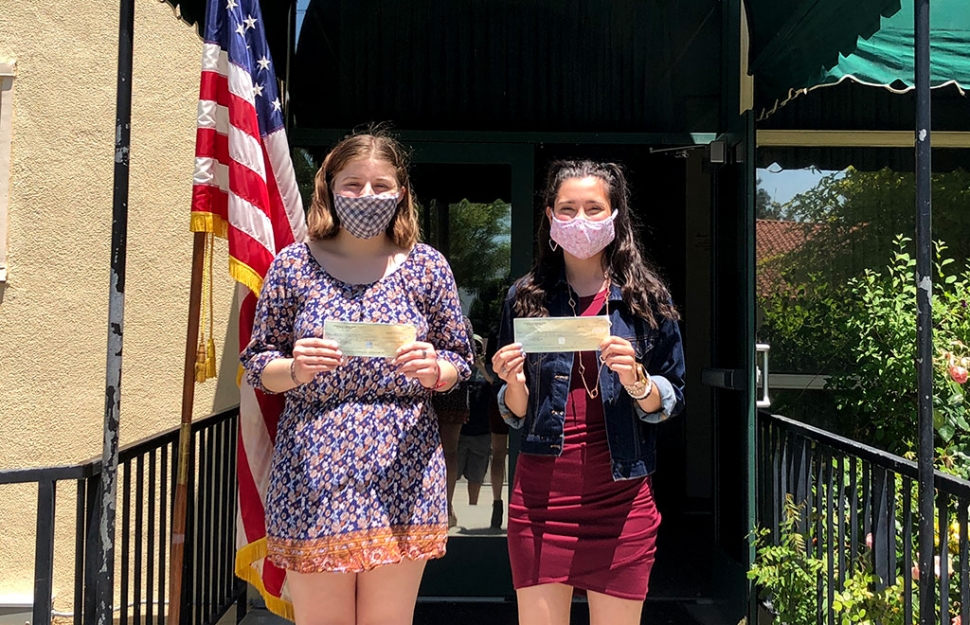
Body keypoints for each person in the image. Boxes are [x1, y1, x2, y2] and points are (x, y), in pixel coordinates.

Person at [240, 131, 474, 625]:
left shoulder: (427, 267)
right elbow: (260, 365)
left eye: (380, 184)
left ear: (401, 193)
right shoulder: (294, 266)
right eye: (353, 184)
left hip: (402, 467)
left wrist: (437, 370)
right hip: (314, 468)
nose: (367, 196)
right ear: (328, 188)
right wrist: (296, 369)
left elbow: (460, 359)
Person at [491, 160, 686, 625]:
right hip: (541, 506)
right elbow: (515, 413)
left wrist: (639, 382)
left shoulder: (647, 299)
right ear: (551, 217)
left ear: (615, 215)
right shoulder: (524, 297)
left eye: (594, 208)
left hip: (622, 505)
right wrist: (512, 385)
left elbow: (672, 392)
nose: (581, 220)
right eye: (568, 208)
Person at [432, 316, 474, 528]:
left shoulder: (462, 322)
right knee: (448, 452)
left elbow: (468, 361)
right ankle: (445, 506)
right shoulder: (461, 322)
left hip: (450, 396)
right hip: (438, 395)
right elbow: (471, 359)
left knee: (448, 453)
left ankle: (445, 505)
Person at [455, 334, 495, 509]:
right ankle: (449, 508)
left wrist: (483, 368)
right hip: (459, 431)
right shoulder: (460, 365)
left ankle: (473, 507)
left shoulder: (489, 367)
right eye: (473, 346)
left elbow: (495, 384)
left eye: (478, 347)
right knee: (452, 473)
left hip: (482, 430)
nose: (475, 350)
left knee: (476, 476)